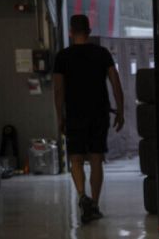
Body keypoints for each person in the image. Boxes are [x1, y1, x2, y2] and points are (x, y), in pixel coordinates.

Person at [52, 14, 124, 223]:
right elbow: (116, 83)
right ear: (89, 31)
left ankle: (83, 195)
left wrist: (60, 116)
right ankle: (94, 204)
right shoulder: (101, 54)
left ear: (71, 32)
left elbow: (58, 89)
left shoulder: (62, 57)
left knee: (75, 157)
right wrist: (120, 111)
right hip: (98, 113)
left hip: (74, 113)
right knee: (95, 159)